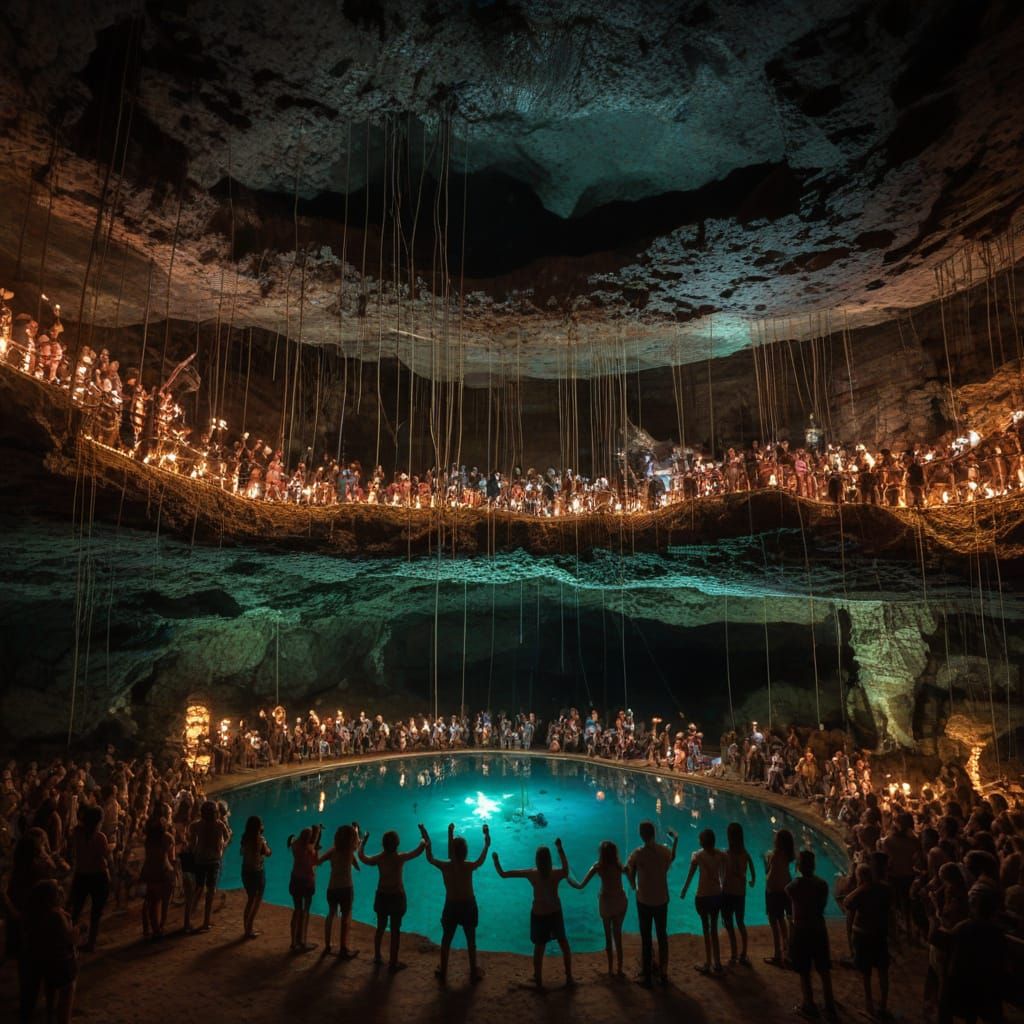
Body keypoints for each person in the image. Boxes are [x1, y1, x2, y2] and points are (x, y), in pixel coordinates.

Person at [493, 838, 574, 989]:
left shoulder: (532, 874)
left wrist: (496, 861)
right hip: (555, 912)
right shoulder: (555, 873)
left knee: (539, 947)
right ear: (550, 860)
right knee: (563, 943)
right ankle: (569, 977)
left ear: (536, 860)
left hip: (539, 914)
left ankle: (538, 981)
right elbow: (566, 870)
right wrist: (560, 849)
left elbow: (504, 874)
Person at [928, 882, 1008, 1024]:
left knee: (944, 998)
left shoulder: (964, 926)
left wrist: (934, 920)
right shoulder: (997, 932)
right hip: (984, 984)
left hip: (962, 983)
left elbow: (938, 939)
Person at [420, 822, 490, 984]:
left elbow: (430, 857)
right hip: (468, 905)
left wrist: (426, 837)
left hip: (451, 905)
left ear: (451, 851)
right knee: (471, 940)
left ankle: (443, 970)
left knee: (446, 940)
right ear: (465, 852)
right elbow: (481, 860)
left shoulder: (445, 866)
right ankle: (473, 970)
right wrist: (486, 844)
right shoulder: (468, 866)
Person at [358, 827, 425, 971]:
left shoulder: (379, 858)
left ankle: (377, 956)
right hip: (396, 897)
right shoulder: (400, 858)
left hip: (382, 896)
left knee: (380, 928)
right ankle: (393, 962)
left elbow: (363, 857)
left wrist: (363, 842)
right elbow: (418, 851)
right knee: (395, 930)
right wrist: (423, 838)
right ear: (397, 844)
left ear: (383, 844)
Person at [569, 839, 632, 976]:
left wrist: (568, 878)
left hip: (606, 903)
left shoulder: (598, 867)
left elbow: (581, 885)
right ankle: (620, 968)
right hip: (620, 901)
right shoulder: (619, 866)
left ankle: (610, 969)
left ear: (601, 853)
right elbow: (629, 876)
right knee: (618, 936)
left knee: (608, 938)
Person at [626, 821, 678, 987]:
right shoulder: (664, 851)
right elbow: (672, 857)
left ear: (641, 835)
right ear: (654, 833)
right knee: (662, 936)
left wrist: (633, 885)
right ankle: (663, 972)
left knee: (646, 938)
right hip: (661, 900)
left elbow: (629, 870)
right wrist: (675, 840)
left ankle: (647, 975)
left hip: (644, 900)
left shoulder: (637, 854)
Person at [787, 849, 836, 1020]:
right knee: (823, 967)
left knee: (804, 969)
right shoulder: (822, 884)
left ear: (799, 865)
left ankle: (809, 1004)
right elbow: (821, 904)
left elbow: (787, 893)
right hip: (818, 926)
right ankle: (830, 1002)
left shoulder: (795, 885)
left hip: (801, 928)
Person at [20, 880, 77, 1024]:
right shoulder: (56, 916)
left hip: (38, 961)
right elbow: (69, 938)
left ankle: (48, 1015)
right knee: (67, 991)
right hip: (59, 963)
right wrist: (76, 926)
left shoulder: (33, 914)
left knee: (45, 991)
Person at [842, 861, 891, 1019]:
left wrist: (859, 886)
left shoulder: (862, 890)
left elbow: (847, 902)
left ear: (861, 877)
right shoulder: (884, 889)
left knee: (866, 972)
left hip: (863, 934)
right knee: (883, 970)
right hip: (880, 934)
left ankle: (869, 1005)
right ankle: (883, 1005)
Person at [680, 827, 726, 975]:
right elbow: (724, 875)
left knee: (706, 930)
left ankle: (708, 962)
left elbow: (690, 875)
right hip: (716, 895)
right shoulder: (721, 855)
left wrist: (684, 890)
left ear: (702, 842)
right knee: (714, 929)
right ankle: (717, 962)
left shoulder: (697, 855)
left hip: (703, 896)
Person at [68, 805, 112, 952]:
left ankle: (68, 941)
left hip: (82, 875)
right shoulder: (100, 837)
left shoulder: (77, 833)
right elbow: (106, 856)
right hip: (98, 876)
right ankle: (91, 943)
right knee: (96, 913)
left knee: (75, 910)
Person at [186, 800, 230, 933]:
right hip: (214, 860)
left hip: (200, 859)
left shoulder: (195, 825)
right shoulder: (219, 825)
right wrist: (222, 846)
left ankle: (188, 919)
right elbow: (227, 837)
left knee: (198, 888)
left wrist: (193, 852)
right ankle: (206, 921)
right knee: (210, 891)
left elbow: (192, 843)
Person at [319, 823, 359, 957]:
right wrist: (356, 831)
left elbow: (319, 860)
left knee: (331, 914)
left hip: (332, 888)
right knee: (346, 917)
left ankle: (327, 945)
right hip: (346, 888)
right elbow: (357, 846)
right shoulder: (350, 851)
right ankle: (343, 948)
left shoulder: (332, 851)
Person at [721, 821, 756, 966]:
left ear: (729, 837)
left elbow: (721, 871)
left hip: (728, 893)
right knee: (740, 922)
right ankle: (743, 953)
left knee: (729, 923)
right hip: (740, 893)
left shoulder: (725, 854)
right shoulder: (745, 854)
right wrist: (752, 880)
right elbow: (753, 871)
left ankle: (735, 953)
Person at [139, 815, 175, 940]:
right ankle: (160, 927)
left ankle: (152, 929)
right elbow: (171, 856)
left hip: (149, 871)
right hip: (163, 871)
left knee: (152, 902)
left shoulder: (148, 839)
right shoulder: (167, 837)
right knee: (163, 901)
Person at [287, 825, 322, 952]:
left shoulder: (295, 846)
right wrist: (317, 835)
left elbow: (297, 842)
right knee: (306, 911)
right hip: (307, 882)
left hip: (295, 879)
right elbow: (316, 861)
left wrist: (315, 834)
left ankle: (293, 942)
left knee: (297, 910)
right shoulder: (310, 849)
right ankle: (302, 941)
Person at [764, 827, 795, 966]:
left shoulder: (774, 854)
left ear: (779, 842)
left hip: (773, 891)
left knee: (773, 922)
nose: (773, 839)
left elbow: (768, 871)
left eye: (776, 838)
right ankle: (787, 950)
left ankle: (777, 954)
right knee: (782, 920)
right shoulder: (788, 855)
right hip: (785, 890)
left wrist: (766, 860)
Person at [239, 816, 272, 940]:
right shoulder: (260, 840)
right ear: (259, 827)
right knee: (256, 900)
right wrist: (268, 848)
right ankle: (250, 928)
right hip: (257, 873)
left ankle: (246, 927)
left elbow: (242, 852)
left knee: (250, 899)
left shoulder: (244, 838)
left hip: (245, 872)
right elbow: (268, 853)